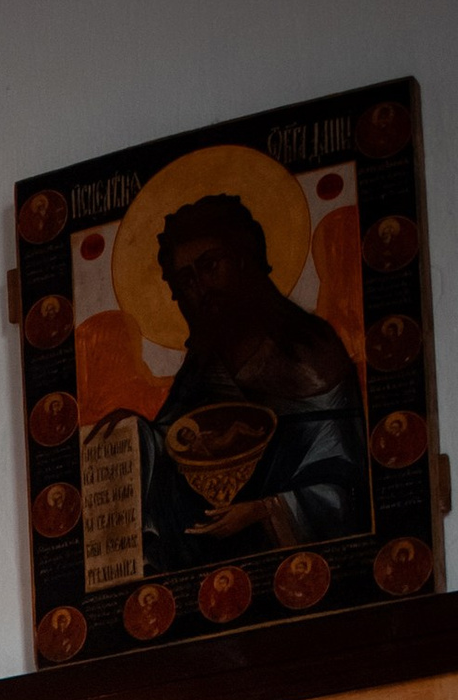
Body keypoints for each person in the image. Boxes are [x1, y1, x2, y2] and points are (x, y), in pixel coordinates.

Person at [132, 193, 367, 572]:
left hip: (291, 562)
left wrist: (265, 510)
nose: (201, 287)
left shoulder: (310, 351)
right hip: (209, 560)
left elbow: (344, 485)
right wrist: (136, 436)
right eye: (186, 280)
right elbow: (171, 442)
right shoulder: (203, 364)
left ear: (243, 259)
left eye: (210, 266)